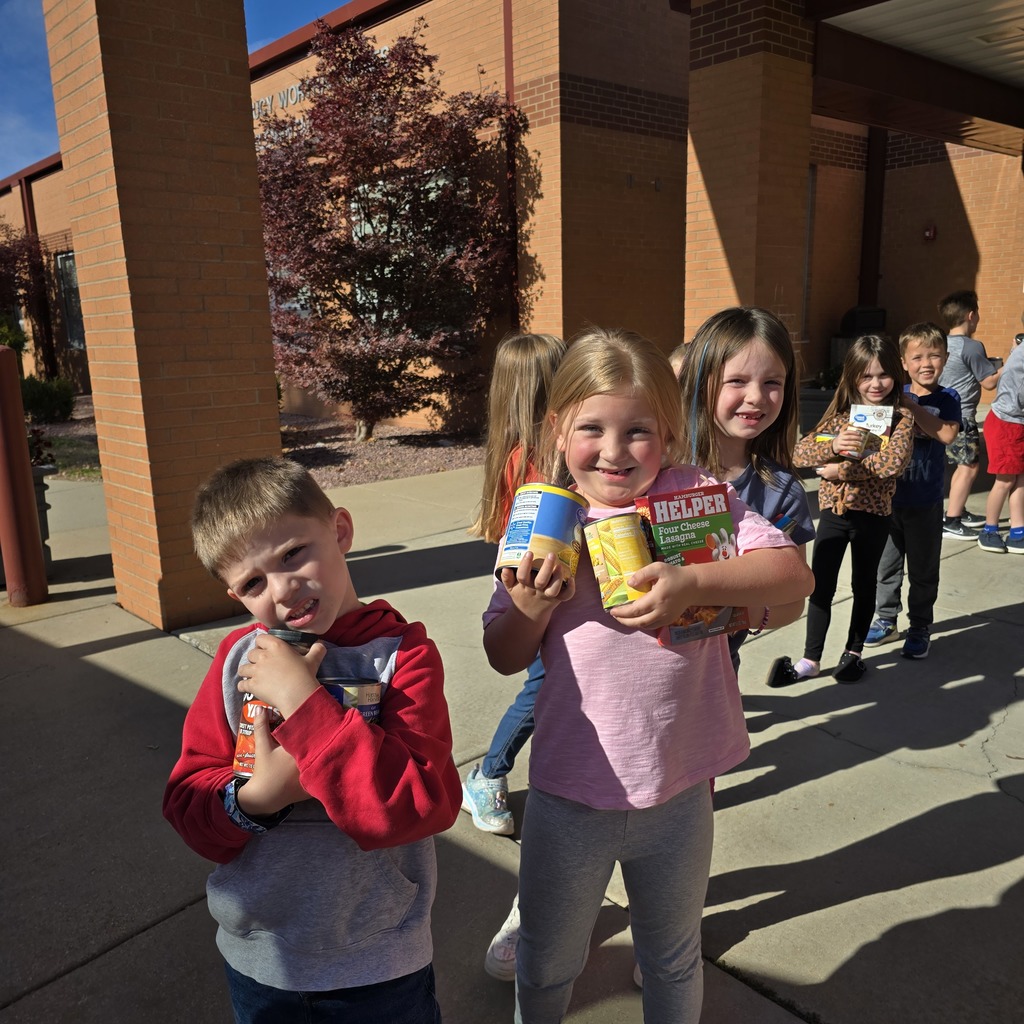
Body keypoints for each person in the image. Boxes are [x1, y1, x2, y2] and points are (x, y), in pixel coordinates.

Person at [482, 328, 812, 1023]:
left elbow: (793, 575)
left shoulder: (696, 497)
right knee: (545, 962)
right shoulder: (544, 519)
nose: (613, 450)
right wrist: (530, 607)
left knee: (672, 954)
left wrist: (693, 582)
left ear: (666, 429)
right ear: (555, 427)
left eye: (638, 431)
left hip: (680, 791)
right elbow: (504, 654)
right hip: (572, 795)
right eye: (591, 428)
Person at [163, 457, 461, 1024]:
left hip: (378, 964)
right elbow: (186, 800)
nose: (282, 588)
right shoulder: (235, 662)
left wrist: (304, 704)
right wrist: (256, 799)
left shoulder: (404, 657)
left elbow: (421, 804)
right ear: (236, 595)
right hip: (261, 959)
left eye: (293, 553)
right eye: (253, 583)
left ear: (340, 530)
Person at [462, 332, 566, 841]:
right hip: (531, 584)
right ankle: (488, 773)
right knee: (543, 683)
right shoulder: (535, 457)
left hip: (545, 581)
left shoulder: (529, 449)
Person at [676, 307, 815, 681]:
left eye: (773, 382)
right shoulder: (654, 467)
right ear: (701, 381)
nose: (756, 397)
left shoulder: (782, 491)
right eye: (736, 380)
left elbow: (792, 600)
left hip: (715, 672)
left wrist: (725, 610)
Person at [774, 334, 915, 685]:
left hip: (874, 516)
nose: (875, 383)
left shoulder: (901, 419)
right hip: (834, 514)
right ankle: (811, 658)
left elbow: (891, 463)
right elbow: (800, 453)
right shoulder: (840, 419)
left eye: (883, 374)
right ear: (852, 378)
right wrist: (834, 445)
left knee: (864, 583)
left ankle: (853, 653)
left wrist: (843, 470)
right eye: (865, 376)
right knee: (820, 584)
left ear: (896, 376)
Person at [864, 323, 961, 659]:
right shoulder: (890, 392)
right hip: (887, 500)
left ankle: (919, 625)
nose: (926, 363)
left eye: (934, 355)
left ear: (946, 357)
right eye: (917, 356)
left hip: (925, 501)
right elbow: (870, 436)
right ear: (903, 362)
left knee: (922, 570)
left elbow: (947, 435)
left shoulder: (948, 398)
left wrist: (911, 406)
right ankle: (886, 620)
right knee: (886, 567)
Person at [937, 290, 1001, 540]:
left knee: (957, 466)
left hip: (941, 414)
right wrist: (1007, 365)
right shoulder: (972, 346)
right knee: (969, 467)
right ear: (971, 315)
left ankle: (958, 510)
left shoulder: (940, 342)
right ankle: (951, 520)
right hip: (962, 417)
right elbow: (988, 383)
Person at [976, 338, 1024, 554]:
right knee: (1005, 480)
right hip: (1007, 423)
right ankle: (989, 530)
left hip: (1016, 422)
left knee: (1020, 477)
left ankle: (1017, 532)